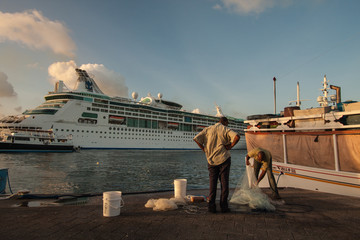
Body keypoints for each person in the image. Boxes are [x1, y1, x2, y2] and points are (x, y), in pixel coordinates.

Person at [193, 117, 240, 213]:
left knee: (212, 183)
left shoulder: (208, 129)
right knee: (224, 183)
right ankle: (224, 206)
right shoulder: (225, 128)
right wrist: (230, 146)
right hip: (224, 159)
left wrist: (204, 149)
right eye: (227, 123)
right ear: (225, 122)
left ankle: (211, 206)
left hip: (211, 160)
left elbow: (196, 139)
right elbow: (237, 136)